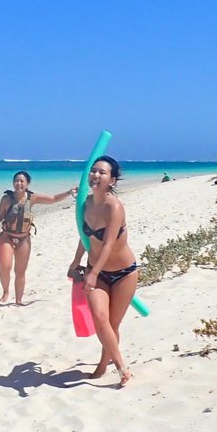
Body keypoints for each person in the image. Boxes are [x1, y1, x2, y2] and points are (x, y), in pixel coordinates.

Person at [68, 156, 139, 386]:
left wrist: (93, 273)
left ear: (113, 181)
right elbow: (84, 236)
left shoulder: (114, 207)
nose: (96, 175)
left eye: (102, 173)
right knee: (100, 319)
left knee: (112, 324)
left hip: (123, 273)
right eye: (93, 171)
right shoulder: (85, 204)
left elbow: (108, 243)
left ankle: (104, 363)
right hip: (94, 270)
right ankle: (120, 366)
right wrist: (76, 261)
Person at [0, 171, 77, 305]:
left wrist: (69, 192)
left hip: (24, 239)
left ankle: (19, 300)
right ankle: (5, 291)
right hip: (7, 237)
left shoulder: (32, 198)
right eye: (16, 181)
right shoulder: (6, 199)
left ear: (27, 183)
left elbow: (53, 199)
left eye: (22, 181)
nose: (18, 184)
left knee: (20, 271)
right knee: (5, 266)